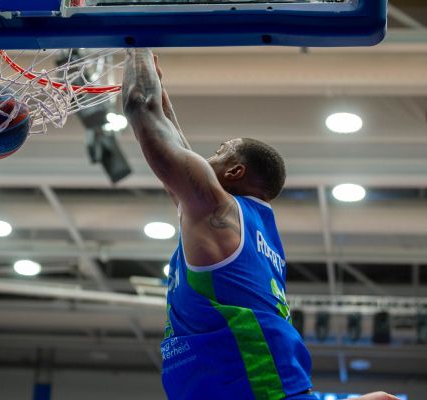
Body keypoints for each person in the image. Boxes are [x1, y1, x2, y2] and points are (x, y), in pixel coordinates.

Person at [121, 48, 400, 400]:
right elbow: (171, 137)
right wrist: (158, 86)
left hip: (257, 388)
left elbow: (140, 107)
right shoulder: (235, 223)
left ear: (235, 172)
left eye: (219, 151)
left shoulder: (216, 213)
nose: (206, 157)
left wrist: (135, 43)